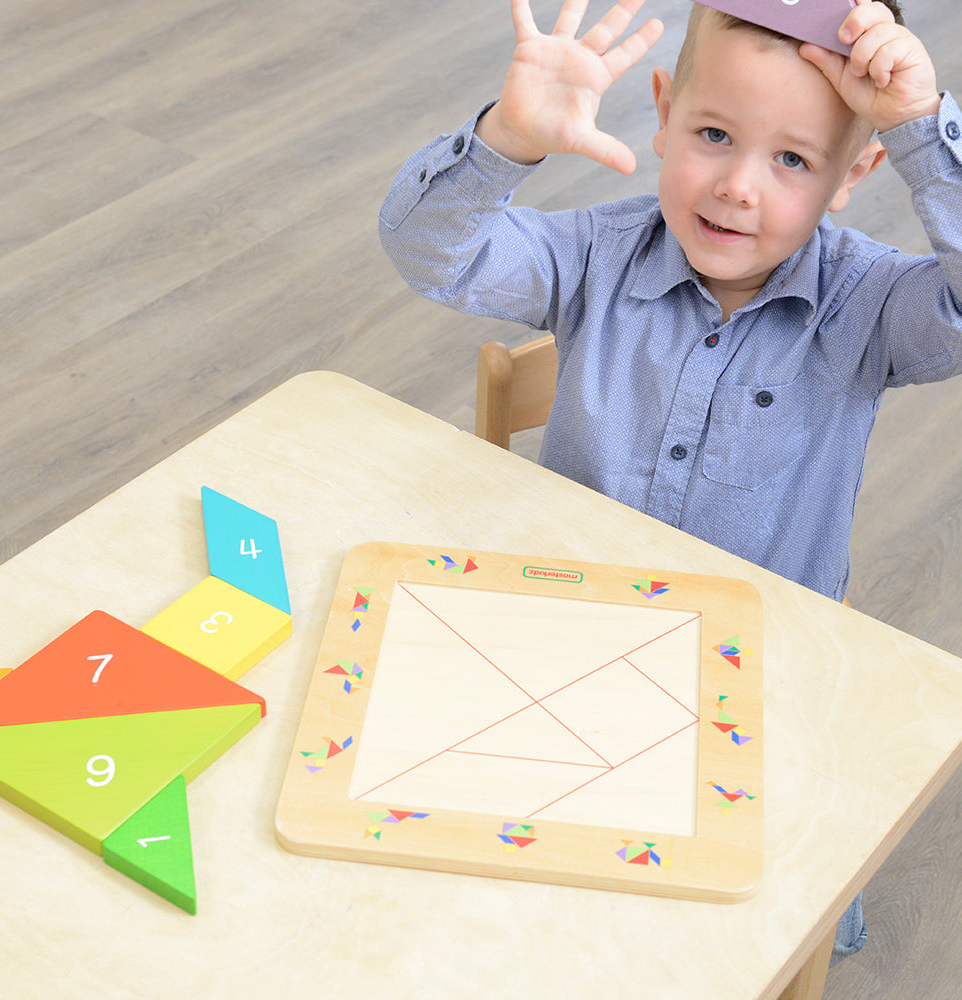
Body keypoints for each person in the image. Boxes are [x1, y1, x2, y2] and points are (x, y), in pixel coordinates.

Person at [379, 0, 962, 963]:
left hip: (757, 697)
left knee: (718, 935)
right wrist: (503, 144)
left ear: (855, 172)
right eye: (714, 135)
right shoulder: (595, 256)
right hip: (569, 655)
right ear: (661, 111)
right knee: (509, 907)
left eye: (792, 160)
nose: (736, 188)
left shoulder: (871, 307)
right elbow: (433, 254)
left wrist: (919, 129)